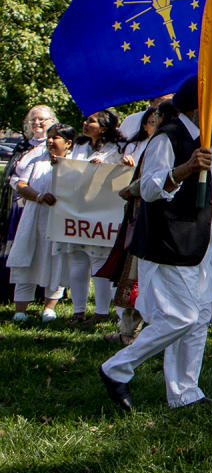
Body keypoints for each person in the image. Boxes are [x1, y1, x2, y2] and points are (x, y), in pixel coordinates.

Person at [98, 77, 212, 411]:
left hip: (203, 251)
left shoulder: (208, 141)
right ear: (196, 105)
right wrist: (186, 169)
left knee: (199, 319)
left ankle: (185, 393)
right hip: (172, 246)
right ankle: (117, 368)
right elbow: (148, 188)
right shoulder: (168, 137)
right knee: (181, 318)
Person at [63, 108, 125, 323]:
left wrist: (105, 167)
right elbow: (69, 171)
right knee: (77, 259)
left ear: (105, 127)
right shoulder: (80, 146)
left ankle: (100, 312)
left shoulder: (117, 147)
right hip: (77, 208)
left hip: (102, 210)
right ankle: (78, 310)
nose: (85, 123)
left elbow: (121, 174)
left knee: (99, 259)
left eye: (91, 121)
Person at [9, 124, 73, 322]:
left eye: (56, 138)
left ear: (68, 143)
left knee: (57, 259)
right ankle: (20, 310)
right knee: (27, 256)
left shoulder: (75, 162)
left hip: (60, 217)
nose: (51, 141)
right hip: (34, 215)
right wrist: (38, 196)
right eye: (50, 137)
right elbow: (21, 184)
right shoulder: (37, 158)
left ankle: (49, 307)